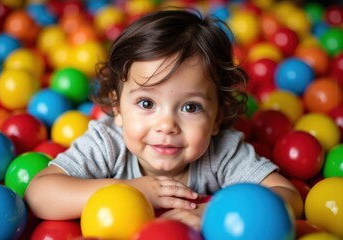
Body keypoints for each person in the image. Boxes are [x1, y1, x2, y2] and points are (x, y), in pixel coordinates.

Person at [25, 9, 303, 231]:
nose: (167, 125)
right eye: (146, 103)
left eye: (191, 107)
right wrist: (128, 191)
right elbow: (39, 194)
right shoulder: (107, 142)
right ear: (117, 109)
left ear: (217, 118)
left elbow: (288, 197)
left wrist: (214, 211)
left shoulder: (222, 152)